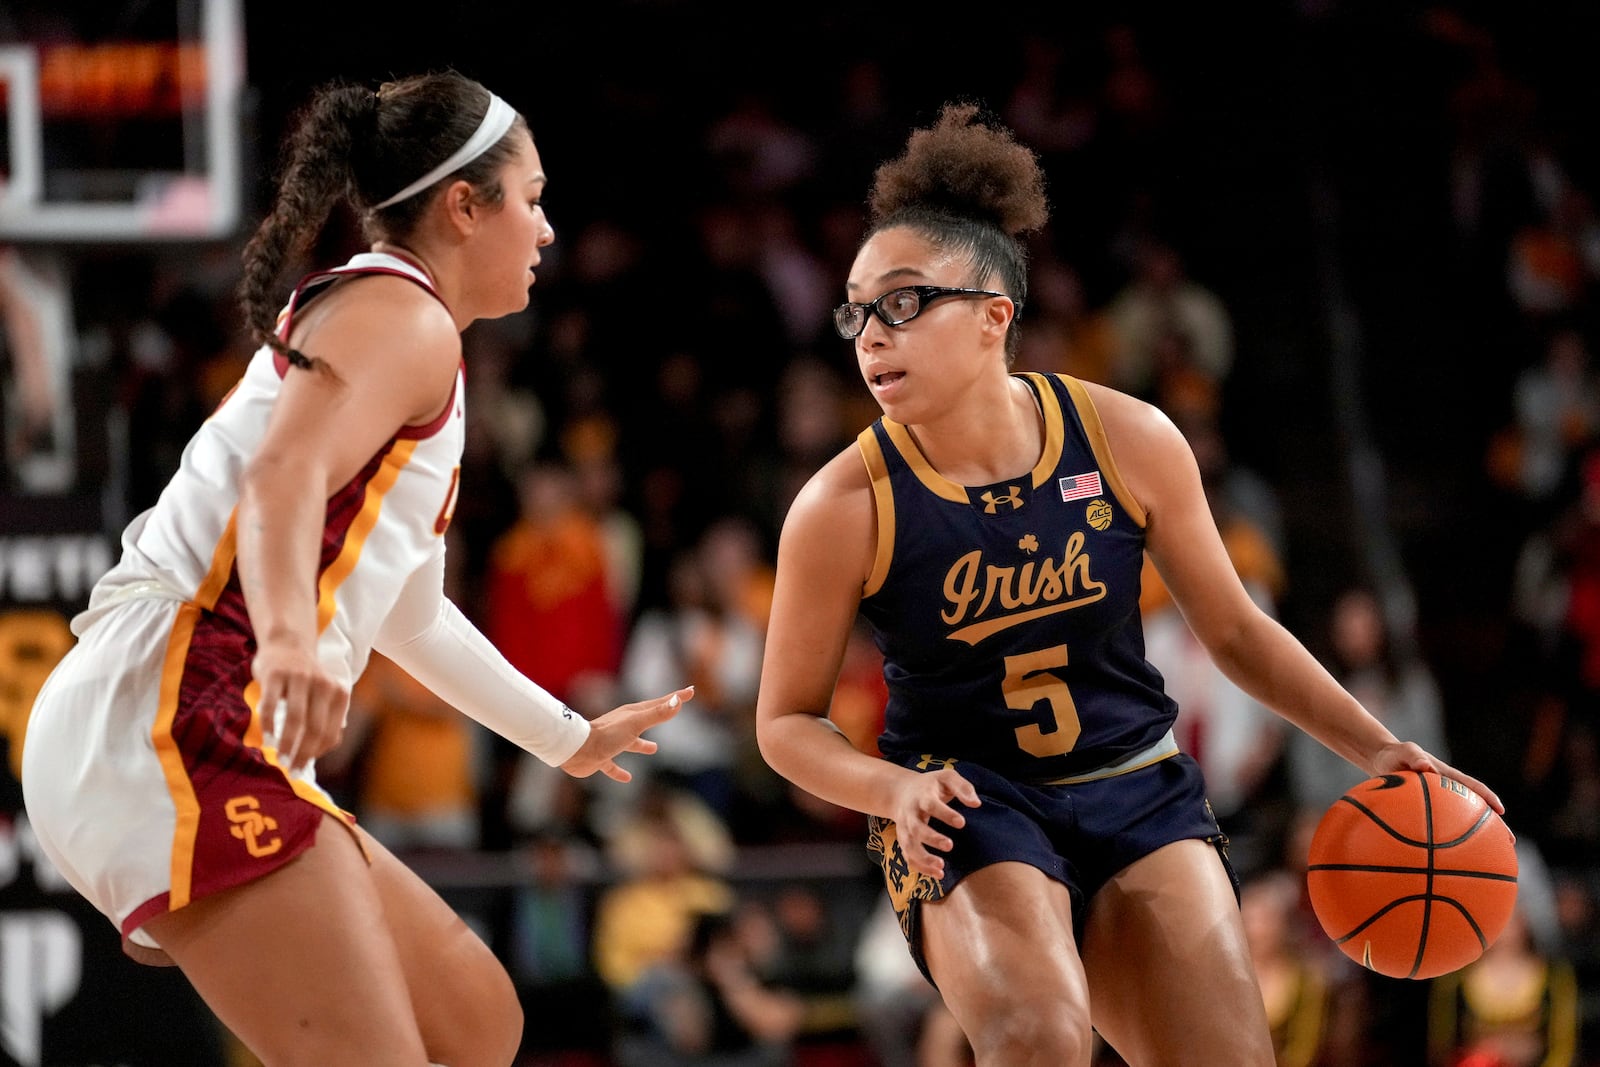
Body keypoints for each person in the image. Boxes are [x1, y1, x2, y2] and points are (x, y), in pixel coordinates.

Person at [752, 101, 1504, 1067]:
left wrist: (1378, 746)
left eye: (902, 302)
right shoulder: (840, 504)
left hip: (1134, 783)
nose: (870, 333)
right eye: (856, 308)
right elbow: (785, 726)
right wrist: (891, 787)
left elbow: (1233, 631)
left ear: (995, 316)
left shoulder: (1127, 437)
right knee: (1038, 1037)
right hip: (969, 804)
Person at [19, 70, 690, 1067]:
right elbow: (281, 472)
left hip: (186, 706)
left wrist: (565, 736)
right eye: (534, 198)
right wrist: (290, 640)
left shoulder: (410, 341)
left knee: (474, 1021)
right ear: (465, 207)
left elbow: (409, 613)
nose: (547, 229)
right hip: (175, 695)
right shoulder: (398, 311)